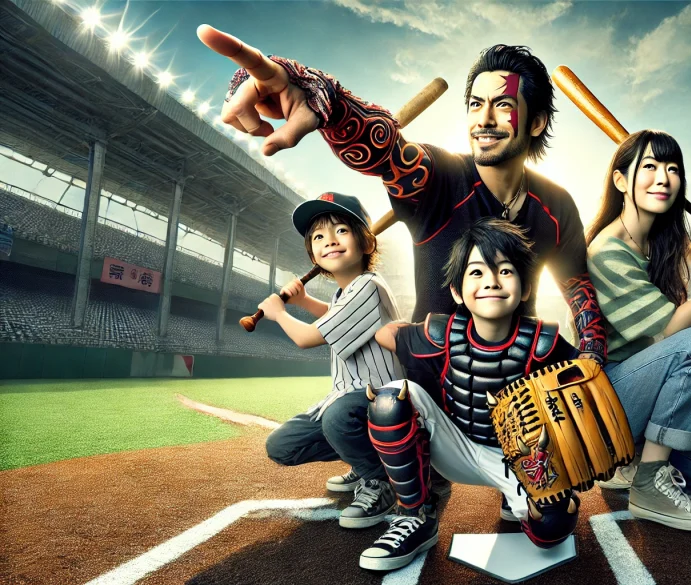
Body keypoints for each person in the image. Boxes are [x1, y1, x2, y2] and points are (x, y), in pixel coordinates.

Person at [198, 27, 607, 363]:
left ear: (535, 122)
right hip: (433, 380)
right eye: (476, 104)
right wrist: (329, 101)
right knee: (355, 420)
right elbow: (387, 151)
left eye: (502, 105)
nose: (483, 119)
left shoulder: (556, 205)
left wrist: (591, 361)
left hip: (522, 380)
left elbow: (578, 293)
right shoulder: (438, 177)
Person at [359, 218, 582, 571]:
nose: (492, 280)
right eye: (476, 272)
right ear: (457, 291)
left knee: (553, 527)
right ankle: (415, 516)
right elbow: (388, 335)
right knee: (390, 399)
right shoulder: (440, 333)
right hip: (458, 447)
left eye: (505, 271)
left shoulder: (544, 341)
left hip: (522, 459)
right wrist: (411, 345)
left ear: (525, 288)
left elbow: (583, 382)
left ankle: (515, 499)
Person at [586, 130, 691, 531]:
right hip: (607, 399)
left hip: (640, 393)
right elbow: (671, 330)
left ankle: (630, 463)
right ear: (621, 181)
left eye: (672, 168)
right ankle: (648, 482)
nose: (663, 177)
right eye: (649, 167)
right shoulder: (608, 251)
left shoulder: (657, 236)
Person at [259, 192, 402, 530]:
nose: (330, 241)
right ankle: (364, 457)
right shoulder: (344, 293)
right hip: (350, 400)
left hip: (385, 402)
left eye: (342, 231)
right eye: (319, 237)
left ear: (366, 243)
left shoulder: (368, 285)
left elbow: (308, 338)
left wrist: (279, 313)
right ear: (313, 255)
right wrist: (306, 301)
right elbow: (332, 318)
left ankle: (381, 481)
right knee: (282, 446)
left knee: (338, 417)